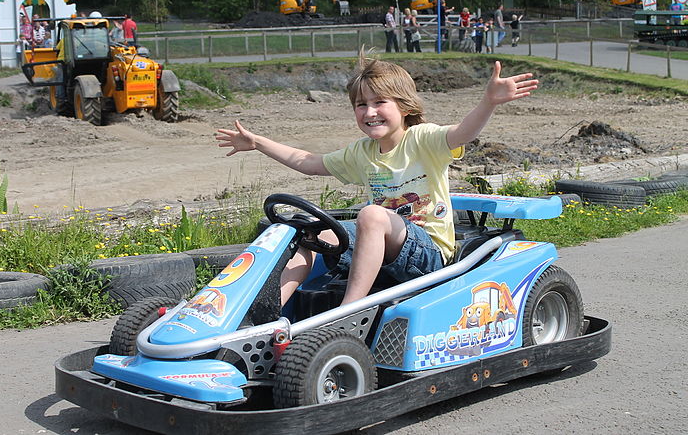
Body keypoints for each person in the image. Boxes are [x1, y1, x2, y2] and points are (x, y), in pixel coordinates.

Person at [215, 50, 538, 307]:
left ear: (405, 106)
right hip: (382, 246)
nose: (370, 112)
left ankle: (349, 311)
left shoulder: (422, 139)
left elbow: (462, 132)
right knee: (309, 232)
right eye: (361, 105)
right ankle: (267, 313)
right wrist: (258, 143)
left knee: (370, 214)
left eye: (379, 102)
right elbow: (308, 162)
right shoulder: (362, 152)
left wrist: (488, 102)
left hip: (428, 254)